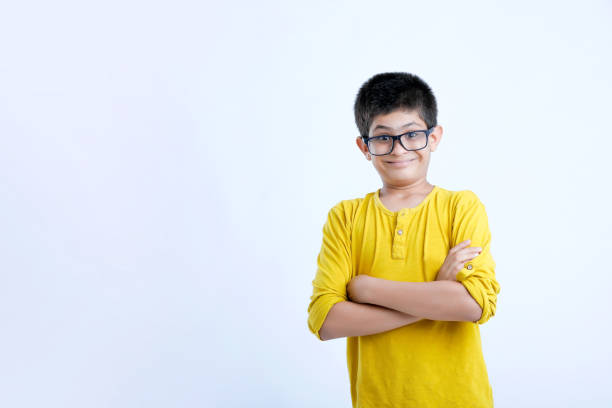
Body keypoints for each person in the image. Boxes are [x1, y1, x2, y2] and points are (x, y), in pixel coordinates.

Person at [306, 72, 501, 408]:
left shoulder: (461, 207)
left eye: (412, 134)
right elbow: (326, 321)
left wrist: (367, 289)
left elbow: (474, 304)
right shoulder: (346, 218)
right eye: (383, 138)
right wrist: (436, 296)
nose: (399, 149)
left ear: (434, 136)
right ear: (364, 146)